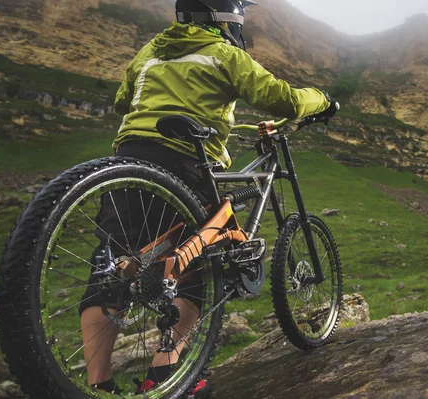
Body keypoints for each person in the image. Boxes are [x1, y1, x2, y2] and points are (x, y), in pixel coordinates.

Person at [78, 0, 339, 397]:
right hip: (184, 161)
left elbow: (122, 101)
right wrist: (321, 99)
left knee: (114, 262)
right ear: (227, 17)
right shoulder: (224, 54)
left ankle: (97, 385)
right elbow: (281, 97)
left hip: (131, 157)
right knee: (199, 267)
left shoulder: (150, 52)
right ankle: (164, 376)